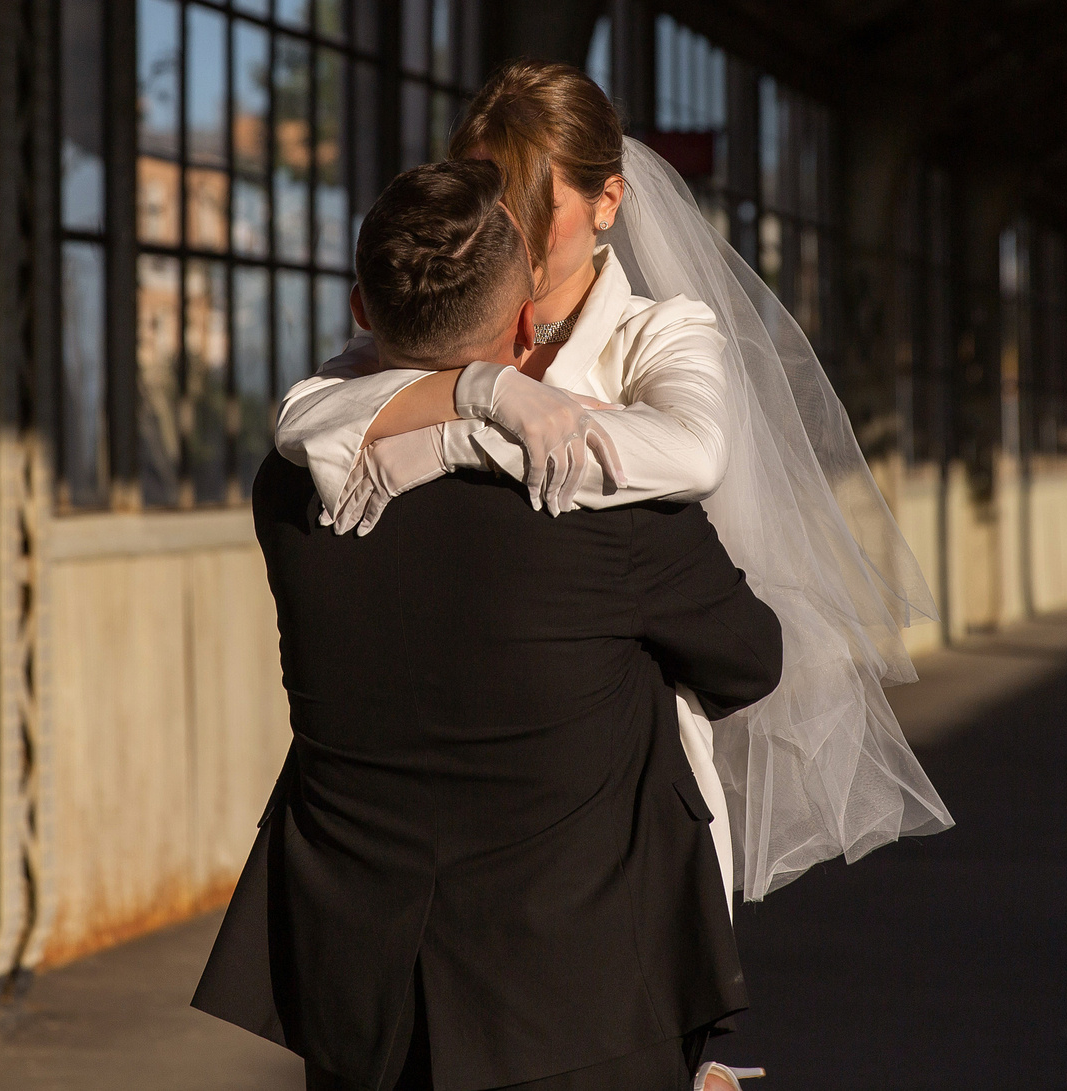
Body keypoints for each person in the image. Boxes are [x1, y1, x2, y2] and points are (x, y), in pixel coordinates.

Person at [277, 61, 950, 907]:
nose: (513, 227)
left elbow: (694, 452)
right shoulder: (436, 314)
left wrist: (450, 445)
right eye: (492, 191)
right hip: (428, 788)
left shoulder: (661, 334)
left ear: (608, 203)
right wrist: (480, 390)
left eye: (537, 201)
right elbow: (304, 417)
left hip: (609, 807)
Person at [194, 159, 784, 1091]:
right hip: (584, 1008)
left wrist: (469, 407)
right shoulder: (605, 508)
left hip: (367, 1010)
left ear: (358, 308)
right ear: (523, 324)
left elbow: (314, 418)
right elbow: (751, 657)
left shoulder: (293, 497)